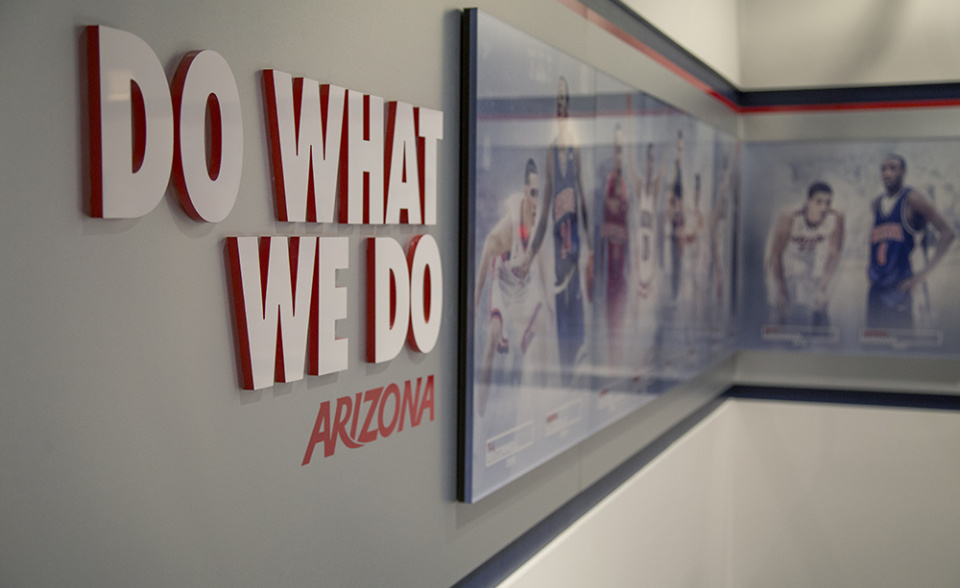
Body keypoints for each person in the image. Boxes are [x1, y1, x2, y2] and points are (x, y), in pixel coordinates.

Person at [524, 76, 593, 385]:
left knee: (576, 328)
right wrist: (529, 254)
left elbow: (585, 201)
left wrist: (591, 248)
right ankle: (566, 387)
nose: (562, 107)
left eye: (566, 102)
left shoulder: (574, 151)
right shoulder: (552, 152)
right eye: (558, 102)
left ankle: (575, 383)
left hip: (575, 254)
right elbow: (543, 215)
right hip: (558, 259)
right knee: (561, 326)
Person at [474, 159, 552, 416]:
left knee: (543, 326)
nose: (535, 198)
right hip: (503, 282)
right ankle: (479, 414)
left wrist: (549, 302)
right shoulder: (511, 222)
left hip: (522, 287)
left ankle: (543, 407)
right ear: (524, 191)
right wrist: (475, 303)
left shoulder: (537, 219)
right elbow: (487, 247)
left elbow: (538, 255)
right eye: (532, 193)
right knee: (492, 339)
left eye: (539, 193)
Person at [867, 154, 955, 329]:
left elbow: (948, 232)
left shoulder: (913, 199)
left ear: (903, 172)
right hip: (877, 289)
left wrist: (923, 274)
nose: (887, 173)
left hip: (903, 289)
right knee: (875, 342)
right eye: (883, 169)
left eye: (892, 168)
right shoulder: (875, 204)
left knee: (904, 344)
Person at [766, 181, 844, 326]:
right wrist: (781, 289)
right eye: (819, 202)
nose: (824, 207)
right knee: (779, 306)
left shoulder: (837, 216)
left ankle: (821, 340)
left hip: (808, 258)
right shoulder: (789, 215)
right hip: (784, 258)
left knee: (821, 303)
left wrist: (823, 287)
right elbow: (776, 254)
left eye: (828, 203)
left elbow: (834, 254)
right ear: (808, 202)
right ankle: (775, 341)